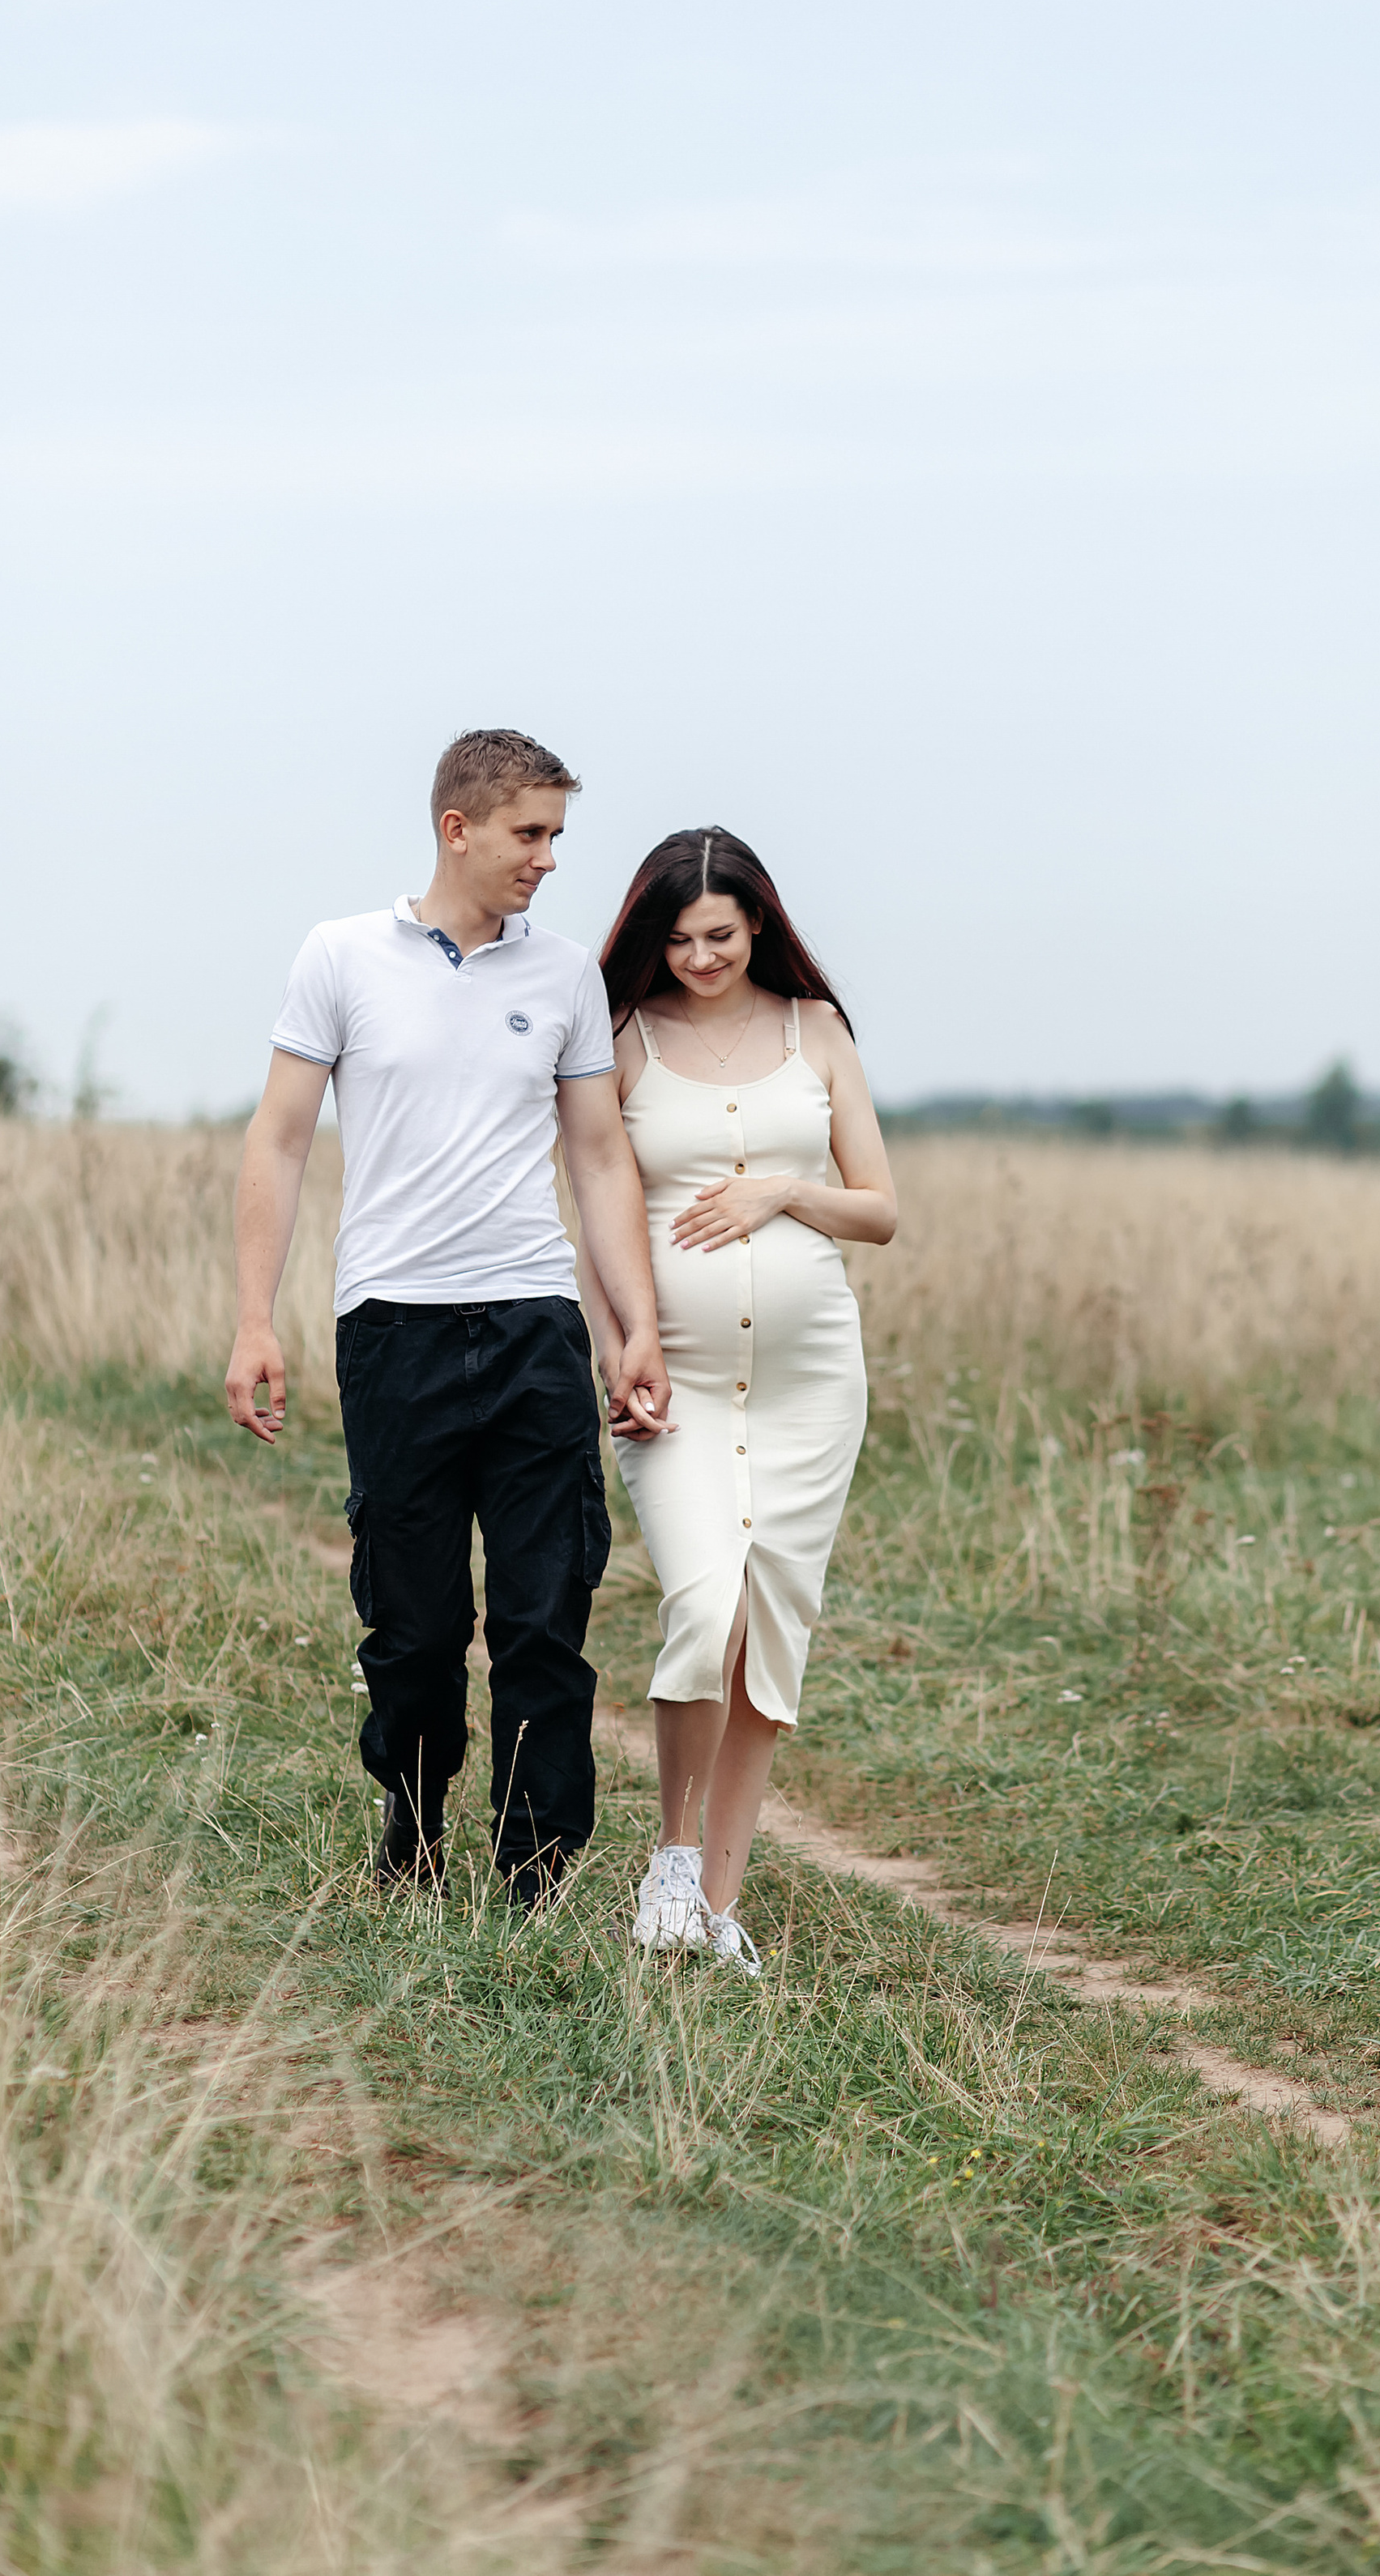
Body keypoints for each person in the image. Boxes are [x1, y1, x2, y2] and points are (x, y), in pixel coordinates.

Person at [224, 729, 671, 1904]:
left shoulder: (565, 974)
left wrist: (635, 1329)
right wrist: (253, 1322)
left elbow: (600, 1159)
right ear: (457, 828)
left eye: (558, 836)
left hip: (531, 1324)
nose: (549, 860)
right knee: (415, 1631)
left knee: (542, 1615)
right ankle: (412, 1835)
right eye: (532, 834)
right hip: (395, 1330)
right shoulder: (341, 957)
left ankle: (535, 1869)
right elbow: (276, 1140)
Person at [583, 828, 896, 1973]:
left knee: (771, 1635)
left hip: (816, 1384)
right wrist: (623, 1347)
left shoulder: (817, 1033)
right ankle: (669, 1862)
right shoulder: (622, 1040)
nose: (699, 957)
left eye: (718, 934)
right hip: (681, 1385)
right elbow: (595, 1217)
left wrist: (784, 1191)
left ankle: (719, 1908)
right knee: (706, 1604)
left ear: (758, 922)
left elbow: (880, 1209)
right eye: (676, 939)